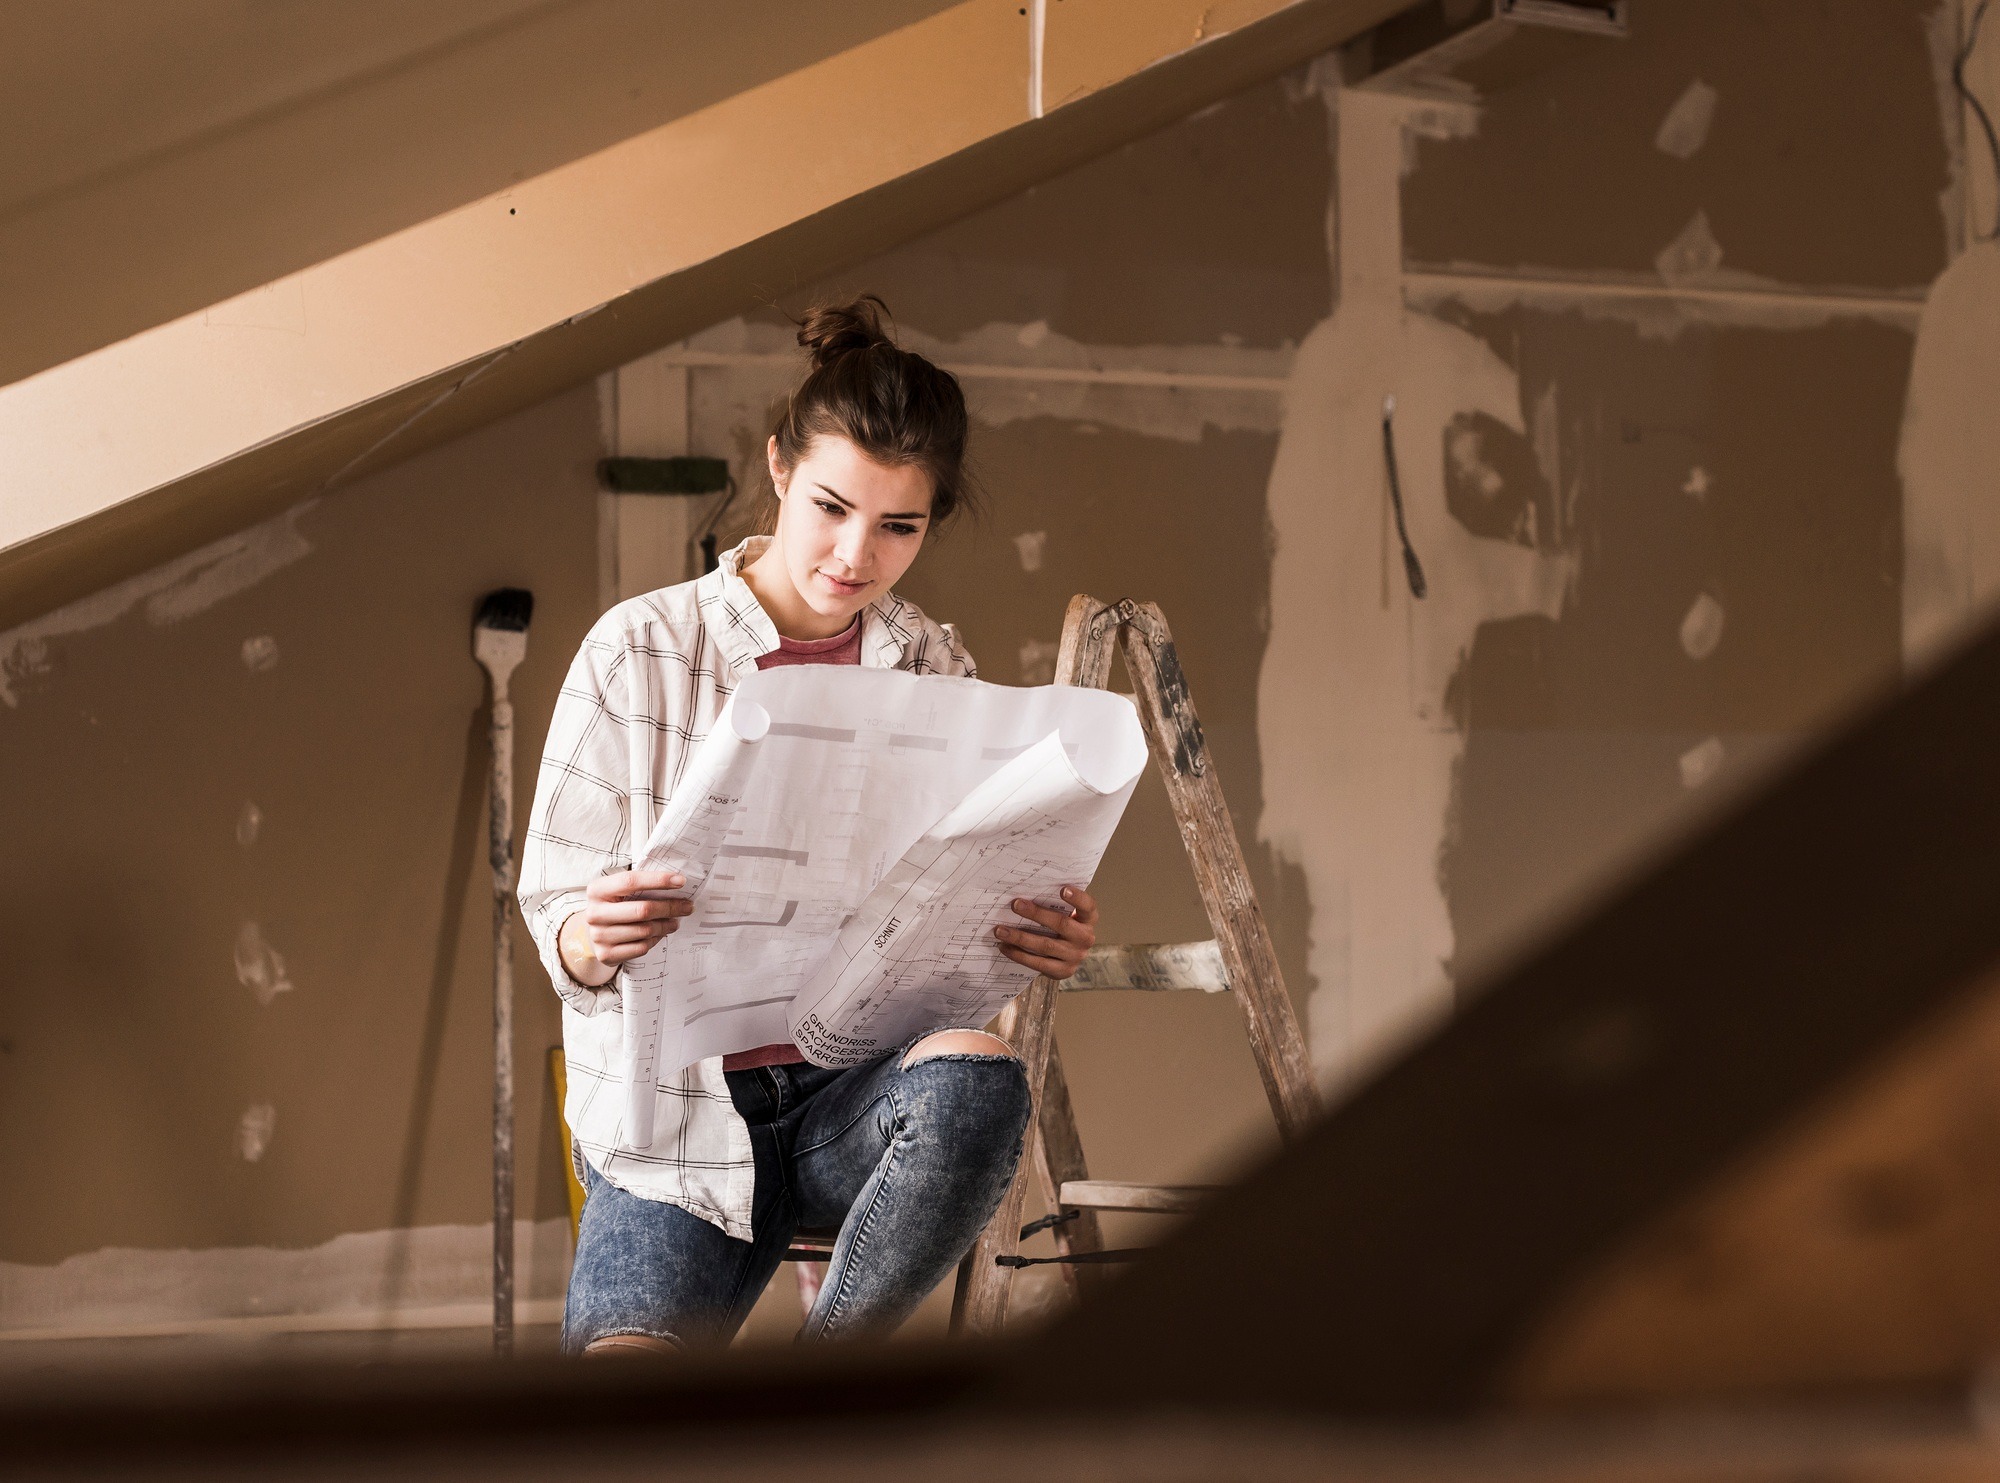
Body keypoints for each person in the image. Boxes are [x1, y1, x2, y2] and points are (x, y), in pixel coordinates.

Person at [519, 296, 1101, 1354]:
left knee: (981, 1074)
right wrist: (583, 933)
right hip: (677, 1131)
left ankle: (817, 1409)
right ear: (779, 467)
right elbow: (555, 902)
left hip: (853, 1105)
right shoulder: (640, 648)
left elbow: (952, 915)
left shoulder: (930, 661)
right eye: (831, 505)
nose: (852, 554)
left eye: (897, 526)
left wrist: (1035, 933)